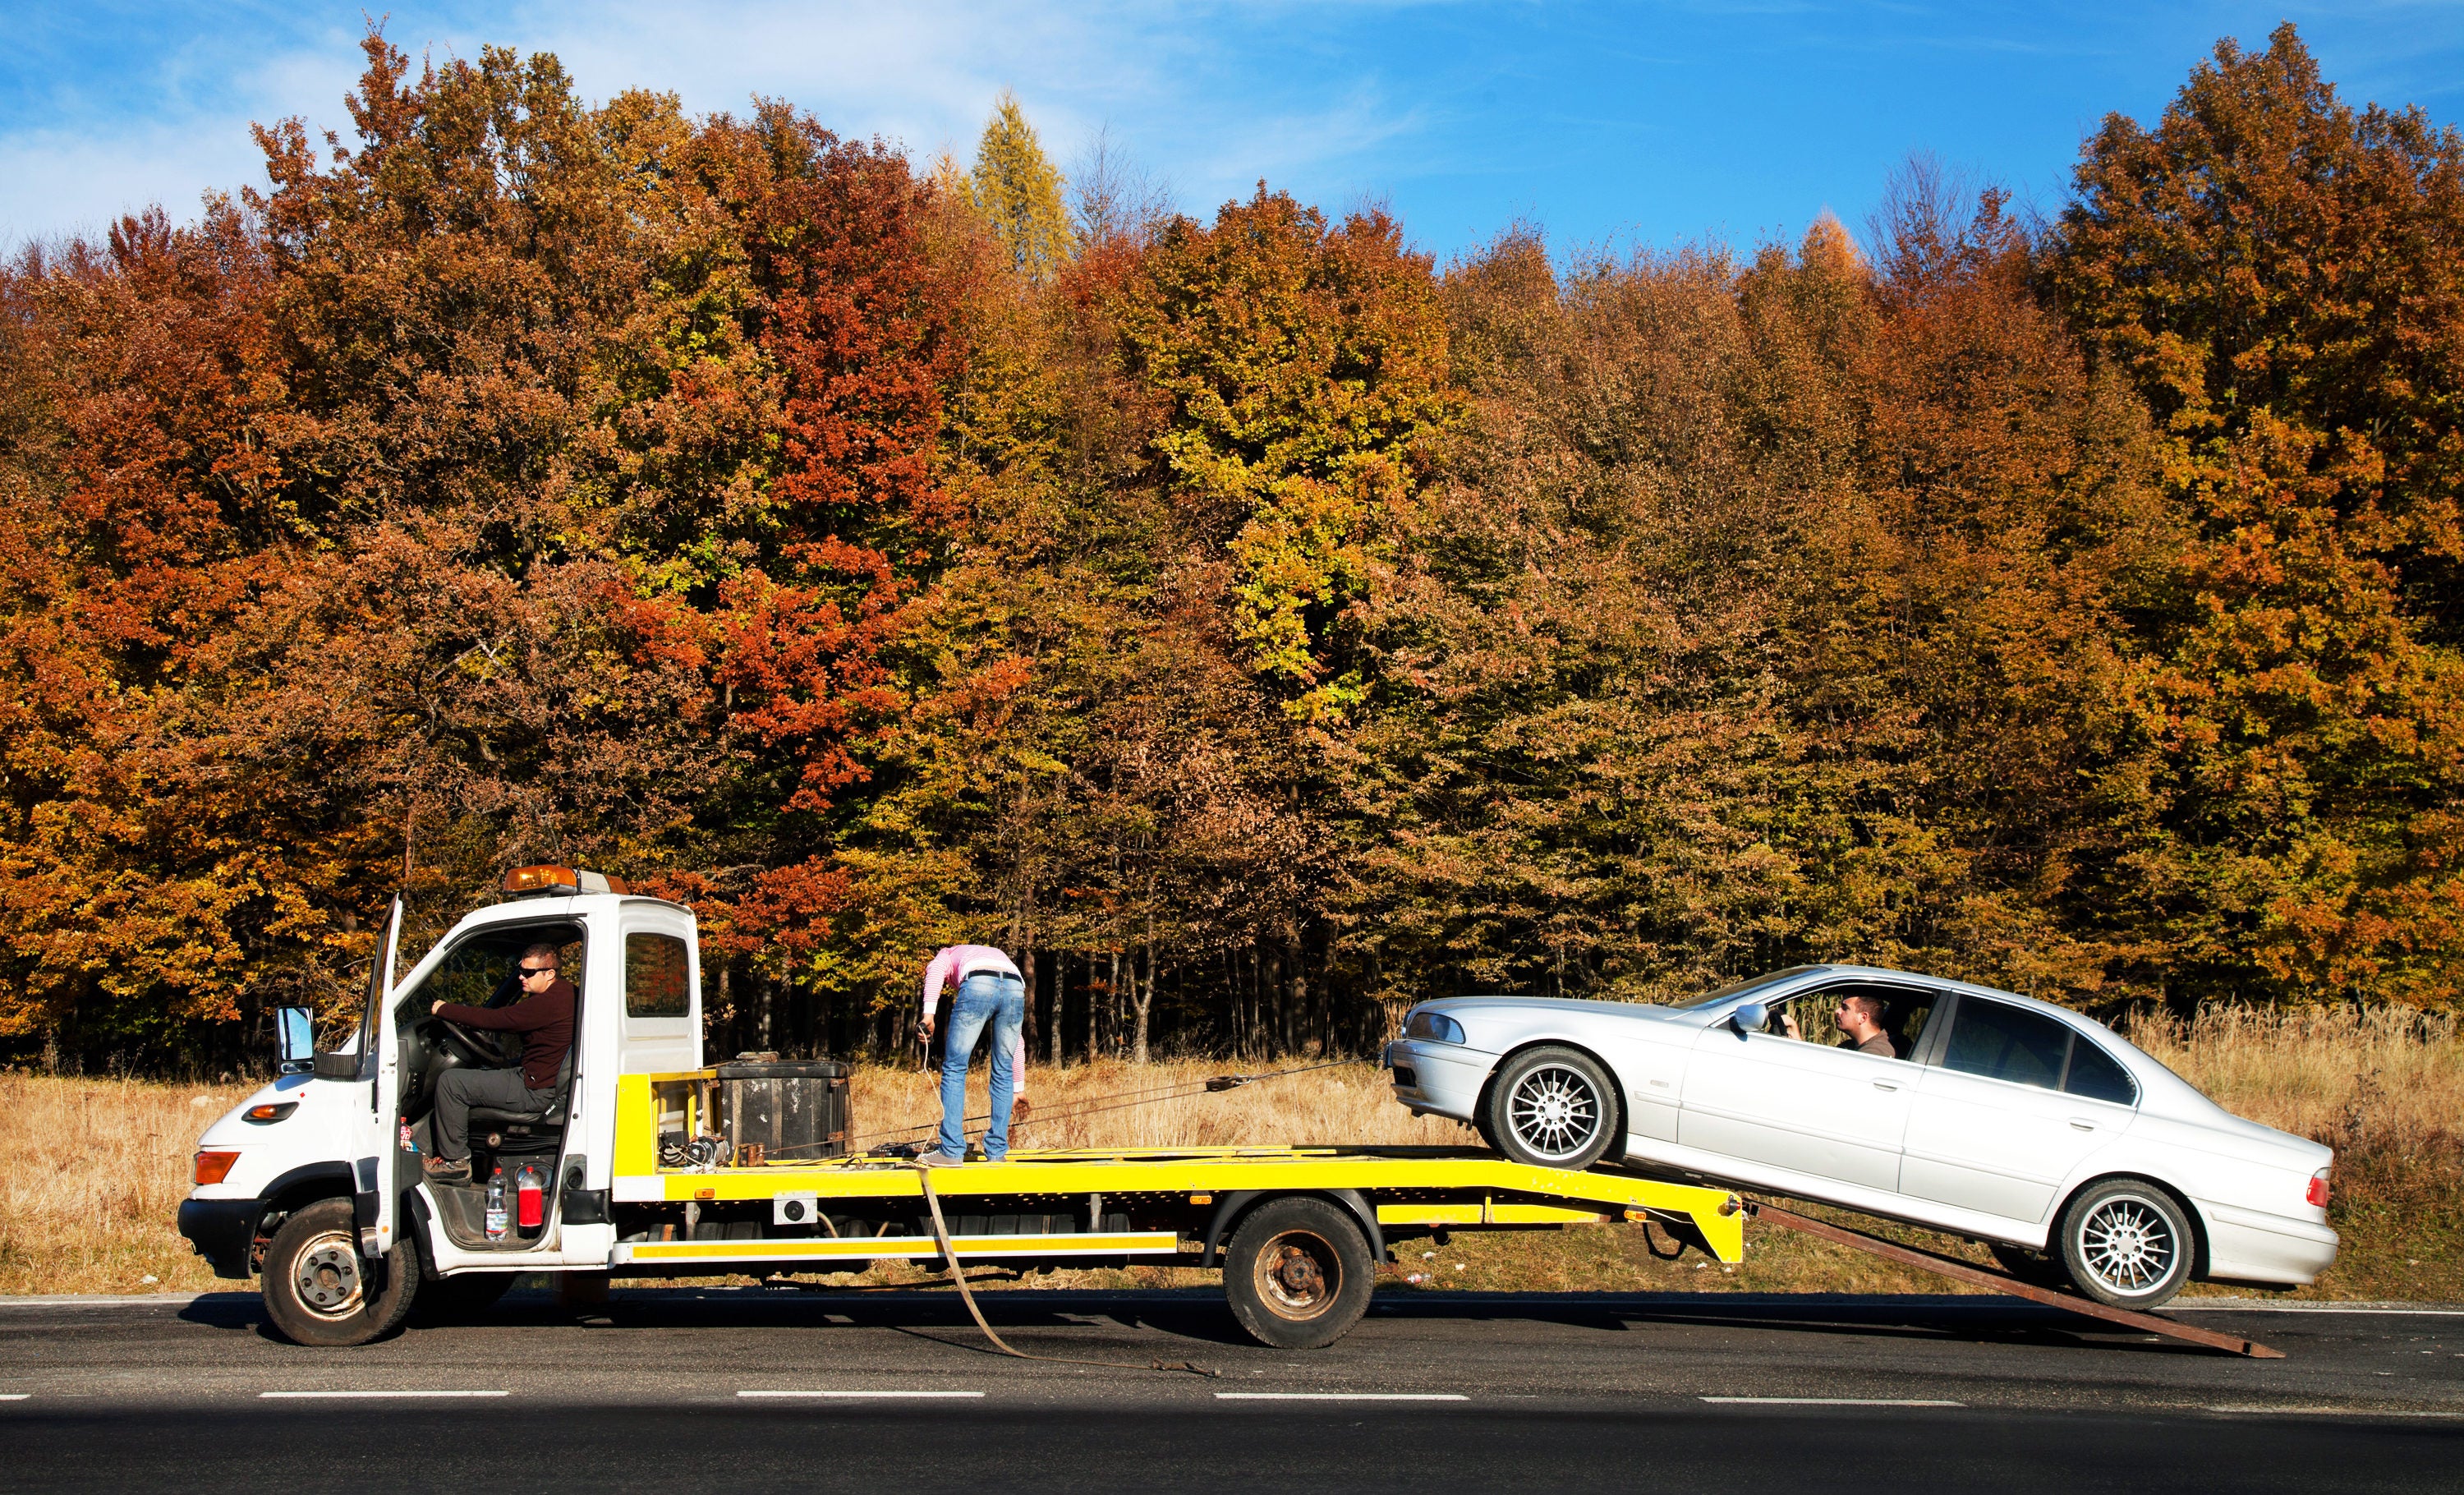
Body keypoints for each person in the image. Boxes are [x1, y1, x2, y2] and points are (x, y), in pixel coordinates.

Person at [421, 943, 575, 1184]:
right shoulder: (566, 993)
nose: (521, 977)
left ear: (550, 974)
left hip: (535, 1091)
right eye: (520, 971)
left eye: (528, 973)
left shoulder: (548, 1003)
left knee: (451, 1083)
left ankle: (456, 1163)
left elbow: (496, 1019)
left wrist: (444, 1009)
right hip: (542, 1081)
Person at [917, 944, 1031, 1166]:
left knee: (955, 1067)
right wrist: (1018, 1088)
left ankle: (951, 1151)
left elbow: (936, 970)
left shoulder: (947, 953)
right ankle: (997, 1153)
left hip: (978, 982)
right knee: (1003, 1069)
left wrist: (928, 1015)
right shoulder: (996, 955)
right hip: (1015, 986)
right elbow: (1017, 1040)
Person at [1780, 991, 1905, 1058]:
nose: (1837, 1011)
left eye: (1845, 1008)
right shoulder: (1851, 1045)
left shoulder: (1876, 1052)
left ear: (1863, 1017)